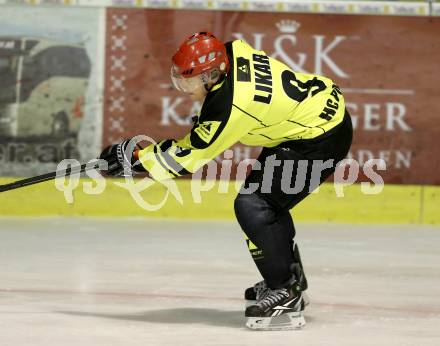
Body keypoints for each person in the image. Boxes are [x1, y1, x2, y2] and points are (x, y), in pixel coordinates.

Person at [100, 31, 353, 330]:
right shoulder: (232, 52)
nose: (186, 88)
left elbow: (186, 159)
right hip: (313, 119)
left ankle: (286, 290)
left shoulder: (231, 104)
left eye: (191, 80)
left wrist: (137, 160)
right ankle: (287, 277)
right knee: (266, 202)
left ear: (211, 74)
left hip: (318, 139)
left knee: (255, 205)